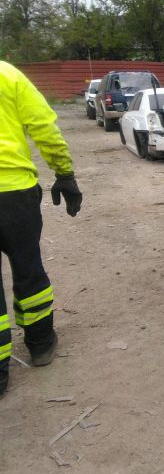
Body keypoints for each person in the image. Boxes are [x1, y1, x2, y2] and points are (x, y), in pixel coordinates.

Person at [0, 61, 82, 394]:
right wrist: (64, 173)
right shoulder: (7, 74)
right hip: (14, 194)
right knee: (29, 270)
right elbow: (43, 126)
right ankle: (41, 345)